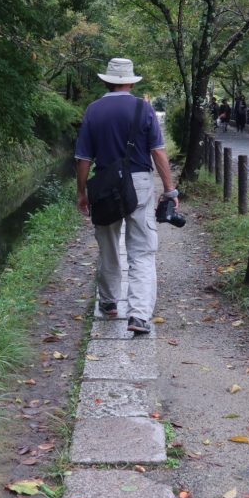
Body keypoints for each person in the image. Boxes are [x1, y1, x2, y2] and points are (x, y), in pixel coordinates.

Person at [75, 57, 179, 335]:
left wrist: (81, 192)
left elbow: (83, 157)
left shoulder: (93, 110)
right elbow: (158, 152)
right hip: (140, 184)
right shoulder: (143, 108)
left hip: (105, 183)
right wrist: (169, 189)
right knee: (142, 250)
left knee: (108, 244)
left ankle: (109, 302)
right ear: (131, 82)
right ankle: (139, 315)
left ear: (107, 81)